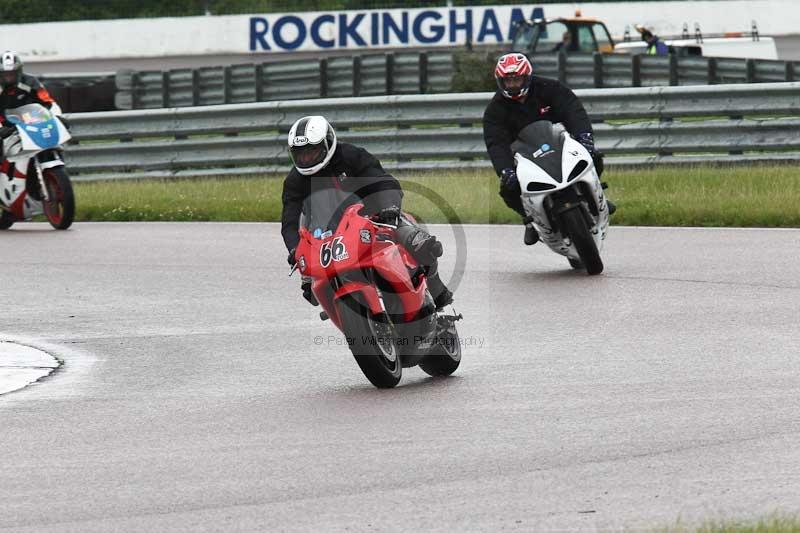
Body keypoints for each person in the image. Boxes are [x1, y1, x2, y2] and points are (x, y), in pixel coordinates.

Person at [281, 115, 454, 309]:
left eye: (311, 152)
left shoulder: (351, 156)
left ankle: (436, 287)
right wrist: (295, 249)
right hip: (326, 235)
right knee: (310, 288)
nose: (306, 158)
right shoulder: (294, 181)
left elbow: (382, 181)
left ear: (327, 144)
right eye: (300, 154)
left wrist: (389, 208)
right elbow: (289, 219)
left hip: (372, 217)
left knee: (419, 241)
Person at [482, 52, 614, 245]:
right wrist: (506, 170)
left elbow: (573, 110)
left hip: (559, 144)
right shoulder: (495, 110)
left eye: (517, 79)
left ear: (527, 76)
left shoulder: (549, 88)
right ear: (500, 81)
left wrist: (584, 136)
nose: (513, 85)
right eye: (508, 81)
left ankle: (596, 195)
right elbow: (496, 143)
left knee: (593, 156)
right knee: (508, 188)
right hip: (526, 157)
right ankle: (529, 221)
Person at [0, 50, 62, 155]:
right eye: (5, 74)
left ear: (19, 71)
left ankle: (57, 159)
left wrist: (57, 117)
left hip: (32, 122)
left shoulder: (31, 81)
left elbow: (47, 101)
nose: (9, 77)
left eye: (12, 73)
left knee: (54, 142)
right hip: (5, 125)